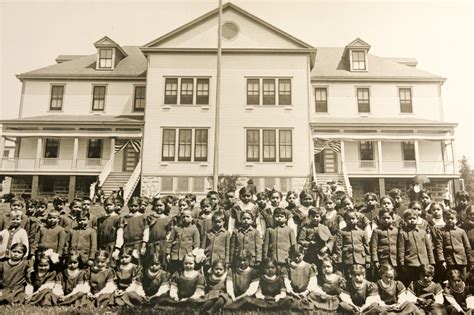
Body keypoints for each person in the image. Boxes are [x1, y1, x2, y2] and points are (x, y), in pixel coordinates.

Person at [397, 209, 435, 286]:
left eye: (414, 218)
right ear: (405, 220)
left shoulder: (422, 232)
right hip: (411, 263)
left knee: (423, 281)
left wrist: (431, 262)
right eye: (409, 218)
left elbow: (429, 248)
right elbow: (401, 249)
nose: (412, 220)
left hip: (424, 263)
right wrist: (402, 263)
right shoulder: (402, 233)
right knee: (412, 283)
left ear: (417, 219)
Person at [435, 209, 472, 279]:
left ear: (456, 219)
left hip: (462, 261)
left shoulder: (461, 231)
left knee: (463, 279)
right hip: (450, 261)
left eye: (452, 218)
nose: (450, 220)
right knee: (452, 279)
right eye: (447, 218)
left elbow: (467, 247)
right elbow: (439, 247)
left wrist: (469, 261)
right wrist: (442, 261)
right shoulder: (441, 231)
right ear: (444, 219)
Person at [335, 209, 370, 277]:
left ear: (357, 219)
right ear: (345, 220)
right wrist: (339, 260)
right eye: (348, 219)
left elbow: (366, 246)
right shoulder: (341, 232)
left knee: (360, 276)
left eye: (353, 219)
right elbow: (338, 246)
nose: (351, 221)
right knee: (349, 276)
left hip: (360, 259)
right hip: (347, 259)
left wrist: (368, 260)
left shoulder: (362, 232)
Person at [284, 246, 319, 310]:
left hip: (306, 292)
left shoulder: (309, 267)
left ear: (303, 254)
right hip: (292, 292)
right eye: (294, 256)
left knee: (316, 296)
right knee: (285, 299)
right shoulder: (288, 267)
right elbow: (286, 281)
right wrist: (292, 292)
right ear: (291, 255)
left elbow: (313, 282)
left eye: (299, 255)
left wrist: (305, 292)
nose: (297, 258)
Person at [165, 209, 200, 274]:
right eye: (183, 217)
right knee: (173, 272)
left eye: (187, 216)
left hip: (187, 255)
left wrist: (193, 255)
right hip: (175, 255)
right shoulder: (176, 228)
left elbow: (196, 244)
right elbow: (170, 241)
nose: (185, 218)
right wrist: (168, 253)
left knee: (184, 272)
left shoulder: (194, 229)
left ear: (192, 218)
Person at [263, 207, 297, 271]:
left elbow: (294, 245)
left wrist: (293, 258)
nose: (279, 218)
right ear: (273, 218)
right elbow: (266, 246)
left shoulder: (289, 230)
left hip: (286, 260)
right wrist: (265, 258)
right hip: (272, 260)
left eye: (281, 216)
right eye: (277, 216)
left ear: (286, 218)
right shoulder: (269, 230)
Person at [94, 196, 125, 266]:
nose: (108, 207)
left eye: (110, 205)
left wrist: (117, 248)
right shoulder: (101, 219)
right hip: (101, 247)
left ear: (115, 206)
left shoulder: (118, 218)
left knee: (110, 264)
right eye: (106, 205)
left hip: (112, 246)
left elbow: (120, 234)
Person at [145, 197, 172, 269]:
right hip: (151, 244)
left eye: (161, 205)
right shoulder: (150, 218)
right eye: (157, 206)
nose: (158, 208)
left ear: (165, 206)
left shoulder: (168, 219)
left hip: (163, 244)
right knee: (150, 261)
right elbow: (146, 230)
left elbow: (169, 233)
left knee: (162, 261)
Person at [122, 197, 149, 264]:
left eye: (135, 206)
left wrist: (143, 245)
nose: (133, 208)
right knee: (127, 262)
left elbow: (146, 232)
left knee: (138, 262)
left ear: (139, 206)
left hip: (138, 244)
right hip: (127, 244)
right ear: (128, 206)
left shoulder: (143, 217)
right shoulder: (125, 218)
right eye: (131, 206)